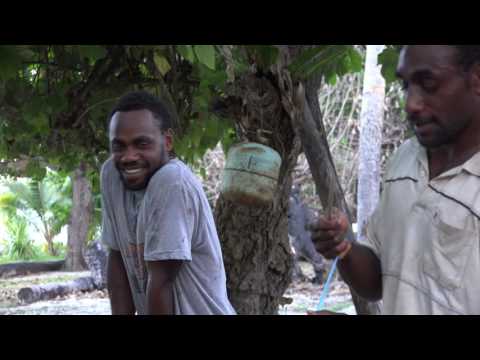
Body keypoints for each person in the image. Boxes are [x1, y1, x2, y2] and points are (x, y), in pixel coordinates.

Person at [310, 45, 480, 315]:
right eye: (406, 86)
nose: (410, 104)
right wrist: (344, 248)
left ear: (476, 79)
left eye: (428, 83)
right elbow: (380, 279)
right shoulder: (406, 158)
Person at [101, 90, 236, 315]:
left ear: (167, 141)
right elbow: (118, 258)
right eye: (119, 146)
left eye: (141, 144)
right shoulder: (112, 175)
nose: (129, 156)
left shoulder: (172, 181)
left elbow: (162, 282)